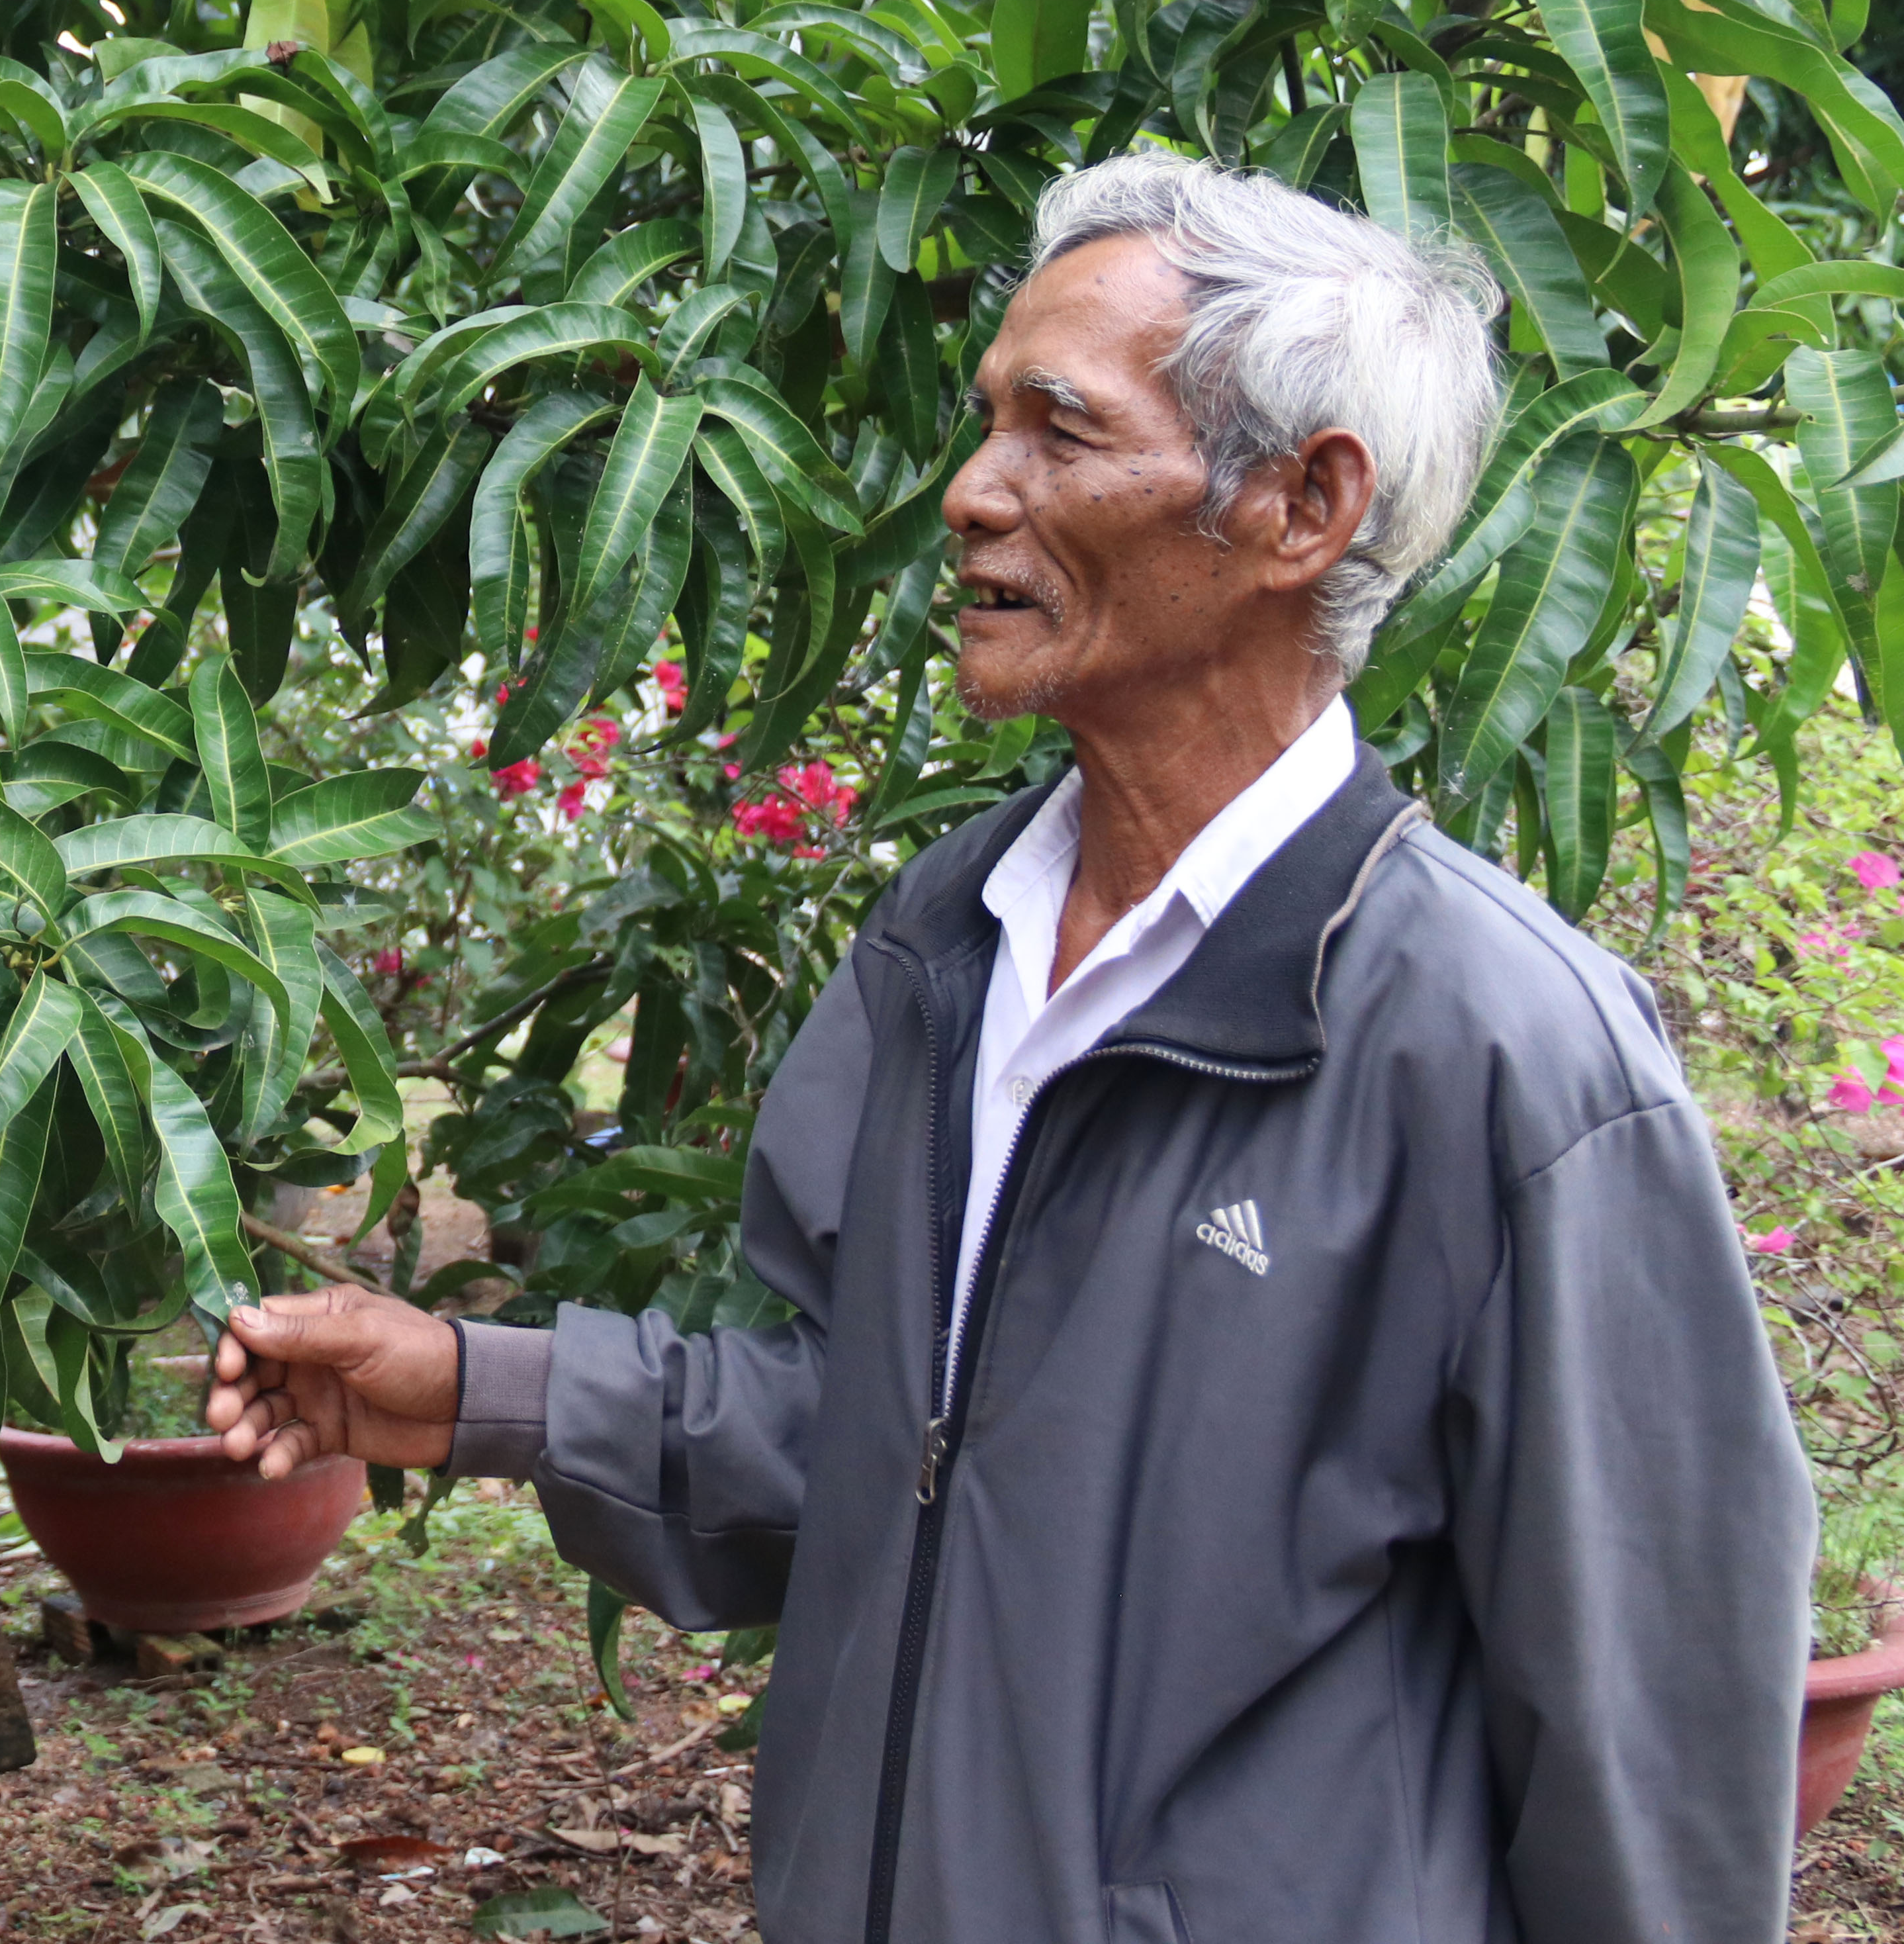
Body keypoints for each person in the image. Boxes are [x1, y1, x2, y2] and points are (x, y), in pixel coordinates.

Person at [208, 154, 1811, 1943]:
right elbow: (886, 1438)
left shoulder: (1504, 1057)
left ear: (1299, 505)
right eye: (989, 424)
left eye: (1060, 430)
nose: (975, 492)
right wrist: (474, 1389)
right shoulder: (945, 948)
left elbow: (1644, 1723)